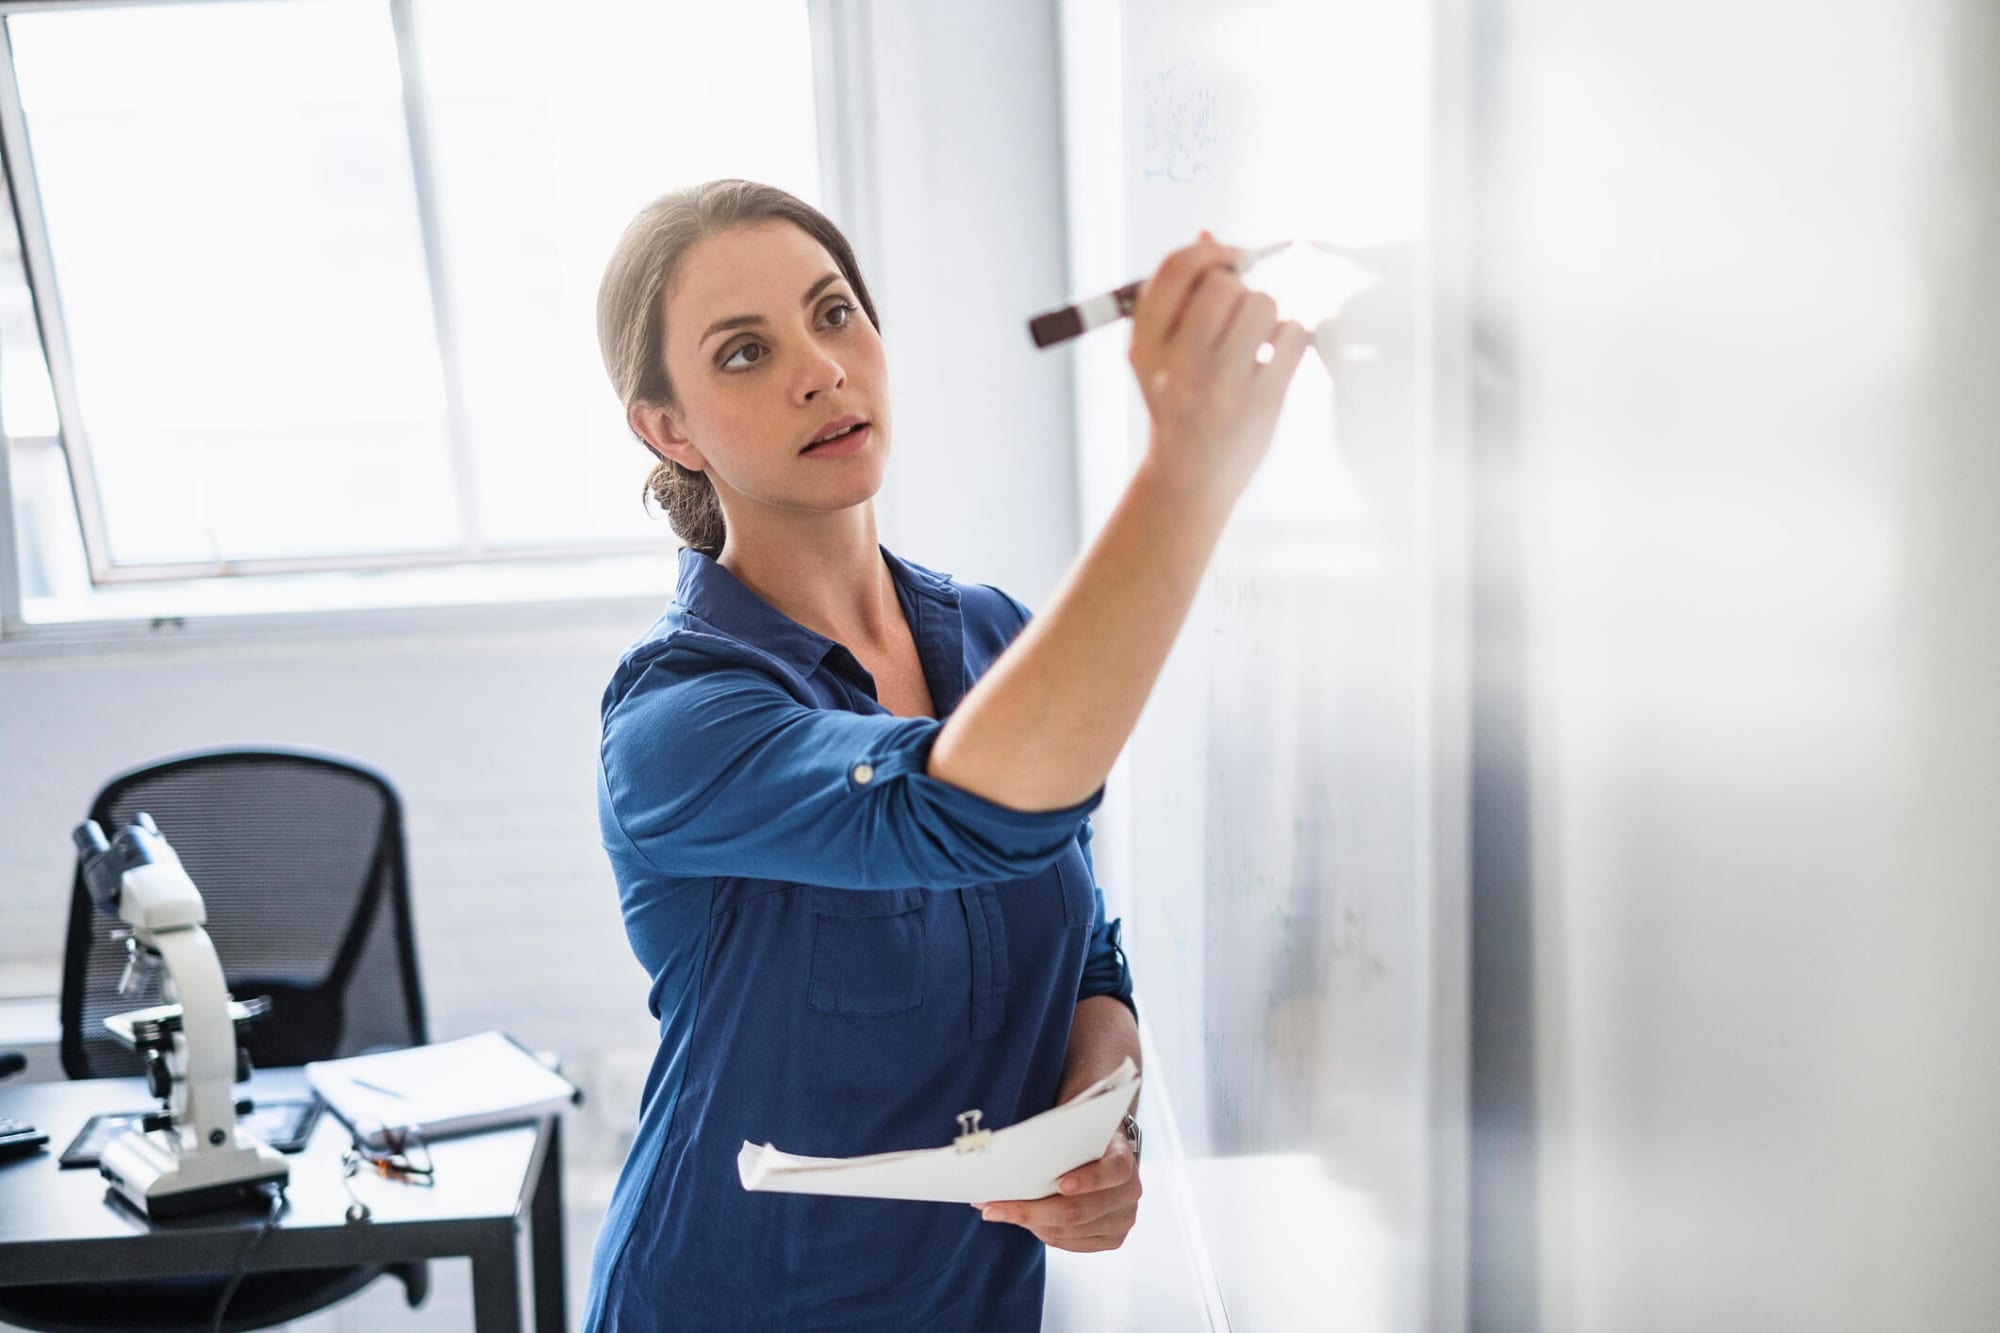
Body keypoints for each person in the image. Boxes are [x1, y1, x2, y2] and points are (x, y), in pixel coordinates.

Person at [584, 179, 1309, 1331]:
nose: (817, 370)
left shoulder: (991, 635)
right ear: (667, 428)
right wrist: (1187, 471)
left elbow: (1082, 950)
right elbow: (955, 817)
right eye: (740, 354)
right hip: (730, 1300)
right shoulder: (676, 723)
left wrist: (1097, 1116)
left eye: (833, 315)